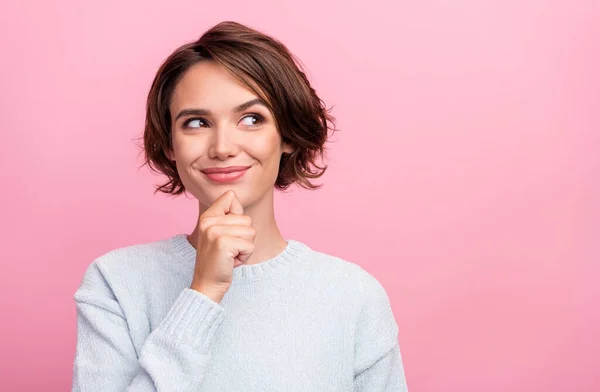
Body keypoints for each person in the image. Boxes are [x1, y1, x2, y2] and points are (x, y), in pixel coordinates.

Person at [71, 20, 409, 391]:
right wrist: (203, 293)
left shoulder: (353, 296)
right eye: (196, 122)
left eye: (252, 119)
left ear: (288, 135)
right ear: (170, 144)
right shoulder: (116, 282)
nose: (223, 147)